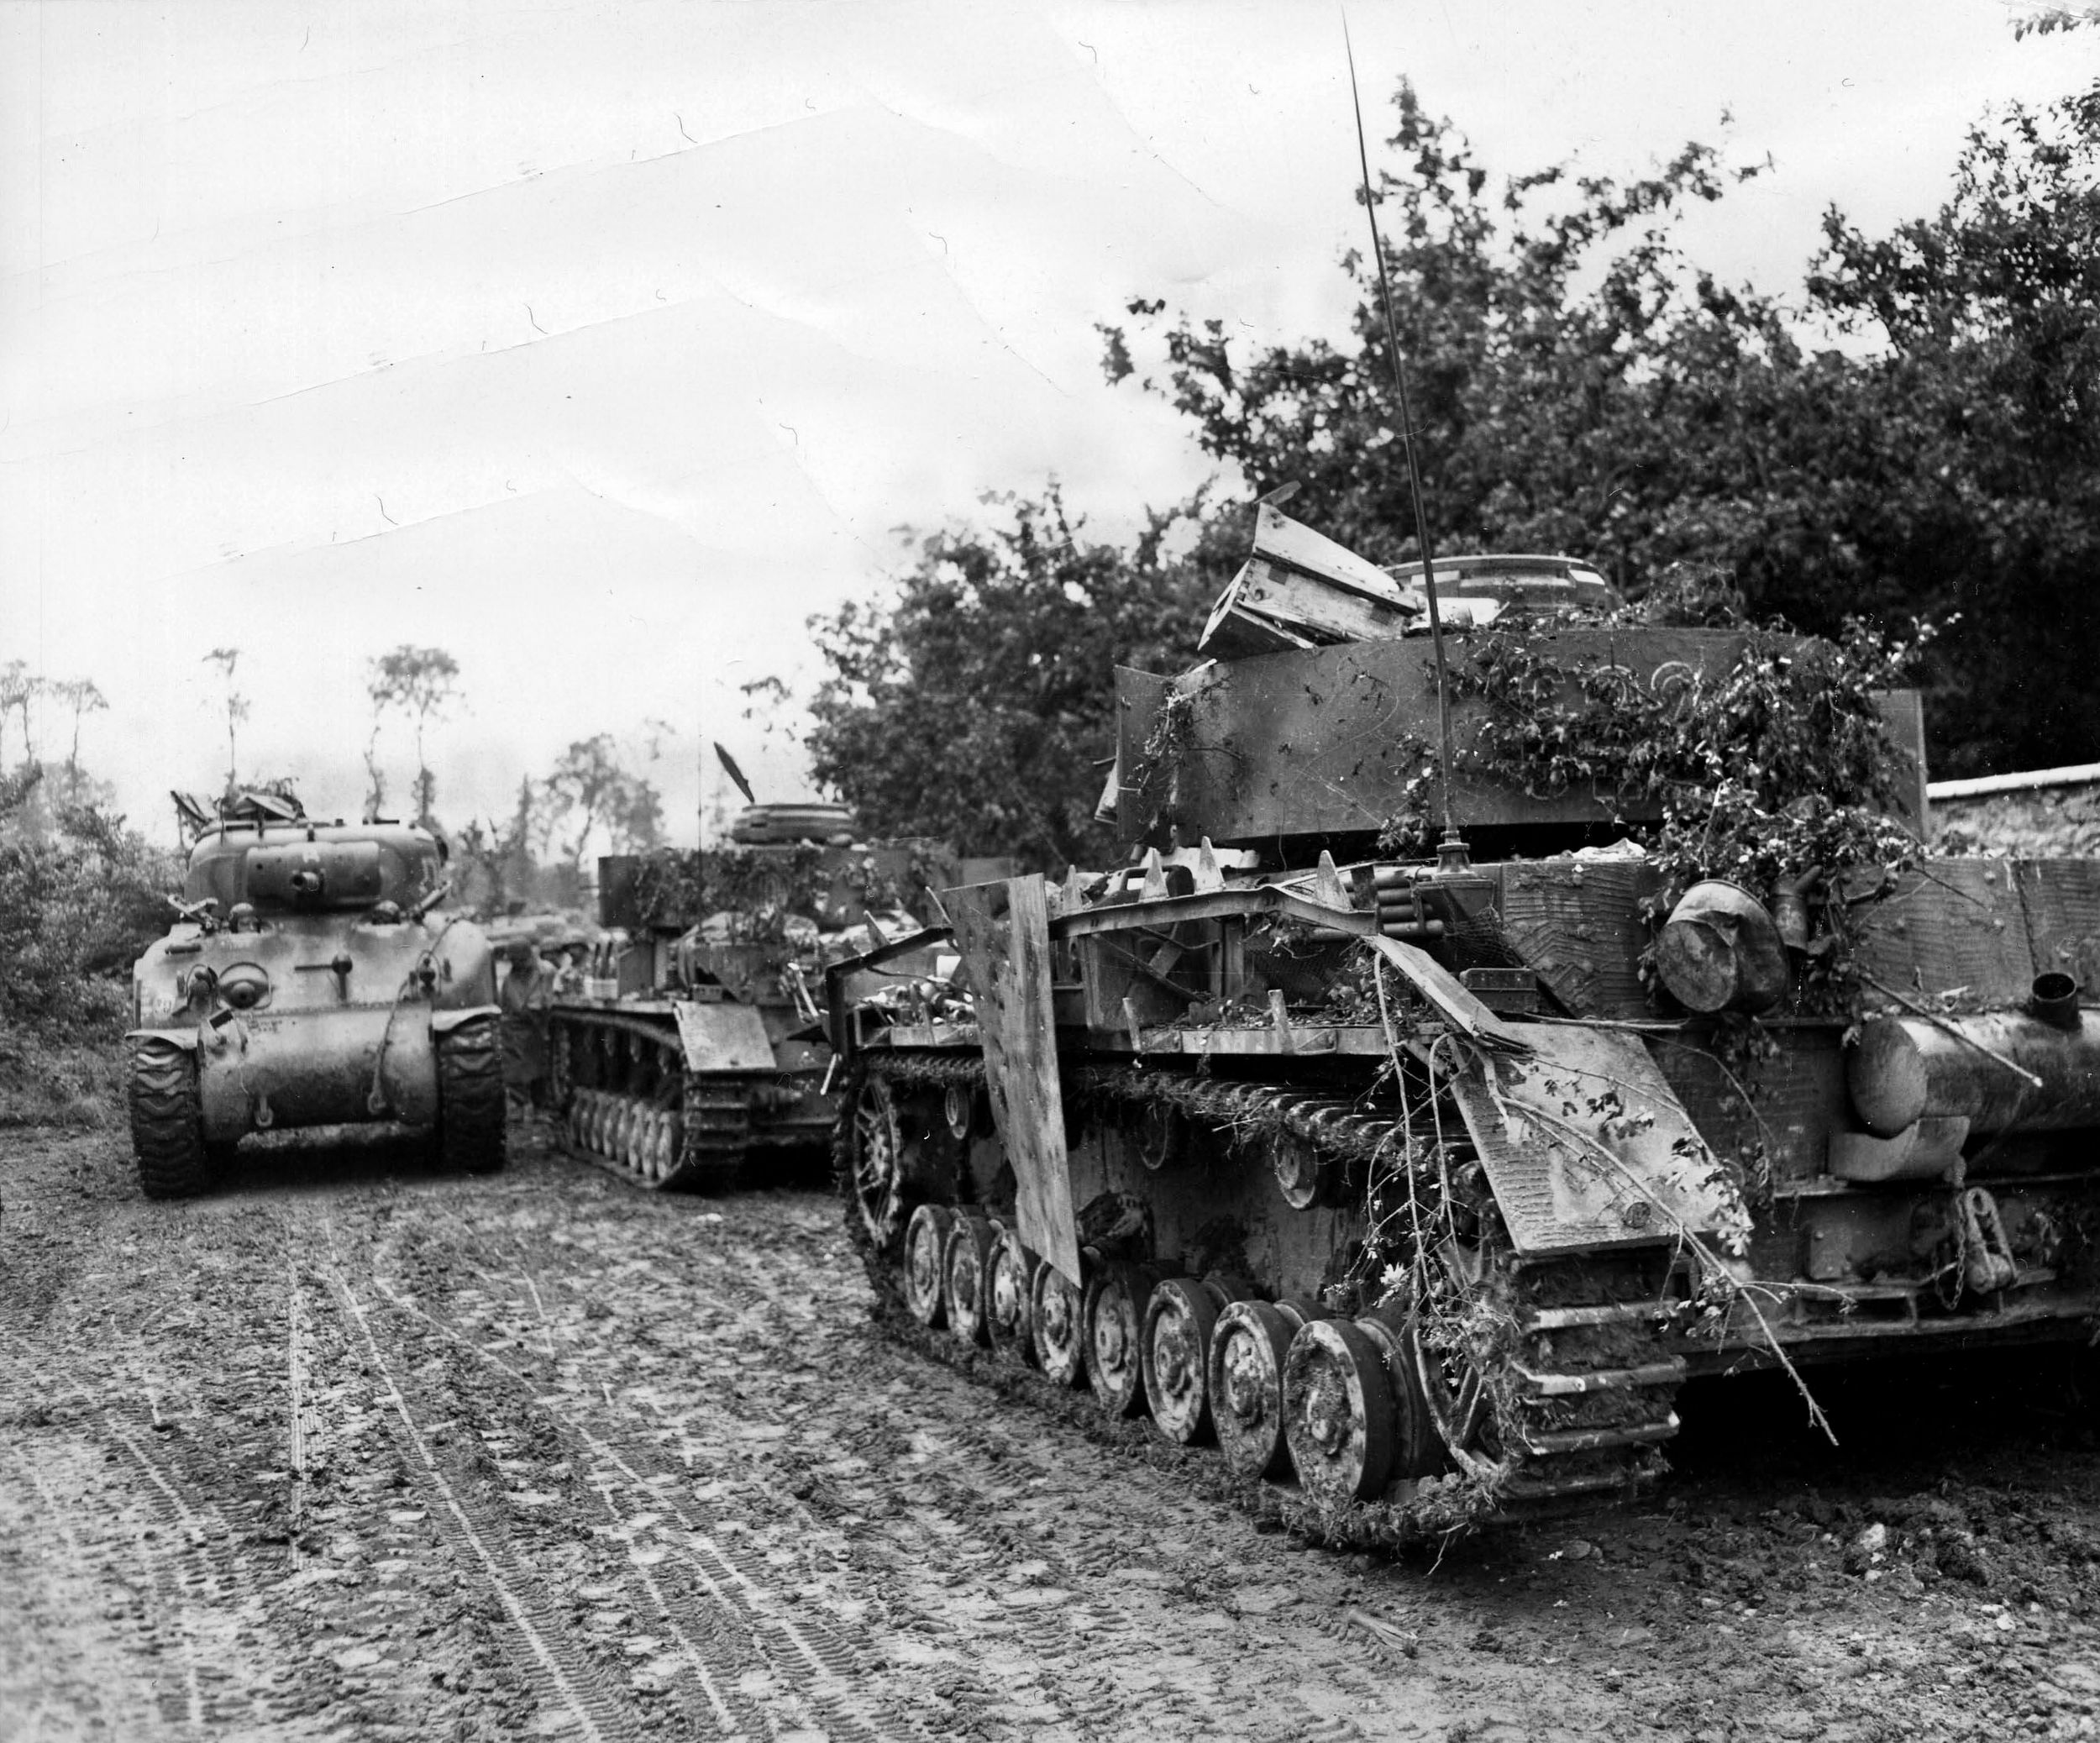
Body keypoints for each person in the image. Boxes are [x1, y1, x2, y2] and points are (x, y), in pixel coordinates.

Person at [499, 938, 554, 1130]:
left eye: (521, 961)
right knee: (514, 1072)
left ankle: (540, 1109)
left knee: (540, 1069)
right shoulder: (510, 978)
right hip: (515, 1027)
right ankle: (518, 1106)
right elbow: (507, 1003)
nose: (518, 965)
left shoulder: (545, 971)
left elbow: (547, 999)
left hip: (538, 1024)